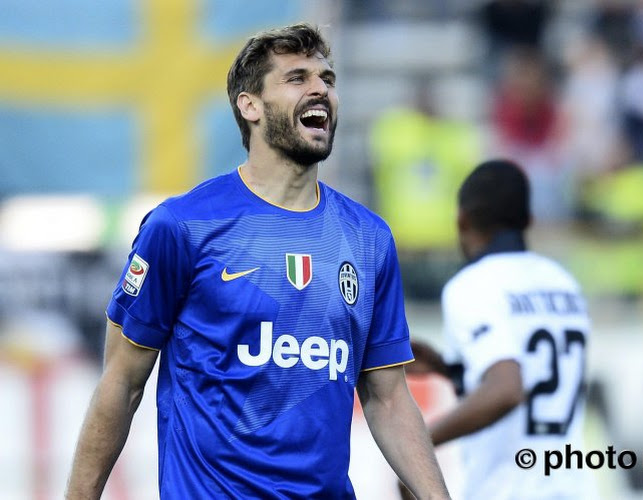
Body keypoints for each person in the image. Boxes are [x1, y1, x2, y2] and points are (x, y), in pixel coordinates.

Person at [66, 23, 450, 499]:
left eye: (327, 79)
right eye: (297, 78)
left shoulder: (368, 239)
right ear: (250, 105)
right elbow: (121, 384)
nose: (320, 90)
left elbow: (389, 397)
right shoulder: (182, 226)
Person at [407, 159, 595, 500]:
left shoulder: (472, 285)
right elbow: (538, 378)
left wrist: (419, 446)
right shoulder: (564, 283)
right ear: (528, 220)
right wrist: (450, 369)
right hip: (570, 489)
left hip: (507, 490)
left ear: (462, 220)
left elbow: (507, 388)